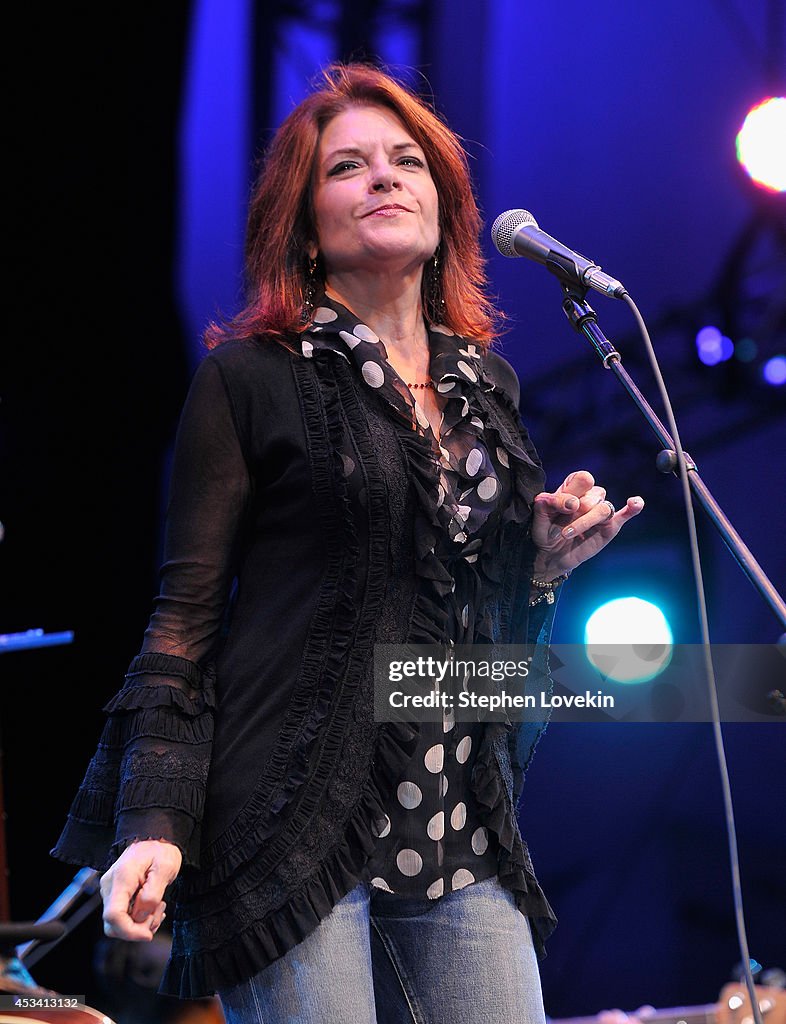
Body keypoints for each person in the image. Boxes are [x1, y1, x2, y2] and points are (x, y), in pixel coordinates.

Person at [52, 62, 644, 1023]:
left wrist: (536, 562)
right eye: (348, 167)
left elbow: (476, 639)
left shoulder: (488, 388)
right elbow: (184, 617)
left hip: (457, 828)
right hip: (289, 824)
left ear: (444, 205)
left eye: (408, 161)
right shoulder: (250, 379)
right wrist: (153, 820)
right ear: (303, 219)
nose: (385, 178)